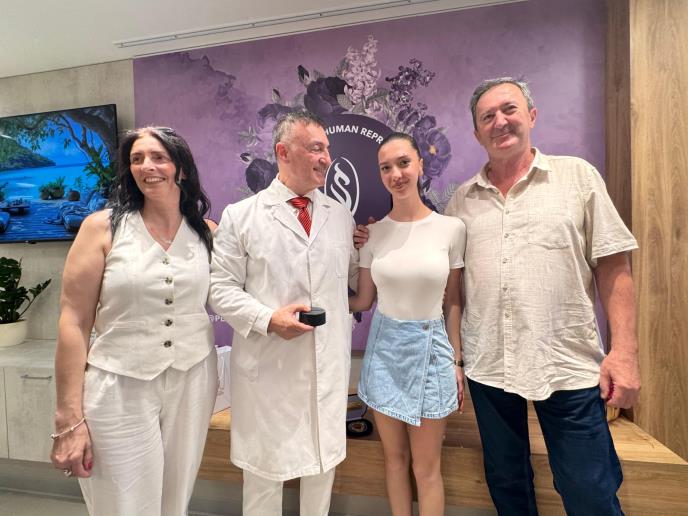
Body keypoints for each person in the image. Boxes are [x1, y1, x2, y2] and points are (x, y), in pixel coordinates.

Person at [355, 77, 640, 515]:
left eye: (509, 110)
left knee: (588, 490)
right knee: (507, 485)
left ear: (531, 115)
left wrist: (624, 352)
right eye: (487, 116)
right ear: (476, 133)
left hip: (564, 365)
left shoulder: (576, 178)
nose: (499, 122)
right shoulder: (461, 203)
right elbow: (442, 284)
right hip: (490, 368)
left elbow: (614, 265)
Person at [50, 127, 219, 516]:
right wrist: (68, 417)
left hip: (193, 380)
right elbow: (73, 321)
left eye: (159, 157)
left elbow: (242, 291)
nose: (147, 166)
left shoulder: (208, 233)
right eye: (137, 159)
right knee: (122, 504)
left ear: (181, 169)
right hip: (119, 385)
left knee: (175, 501)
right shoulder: (102, 228)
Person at [209, 110, 358, 516]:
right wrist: (268, 319)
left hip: (326, 368)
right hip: (269, 369)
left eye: (327, 149)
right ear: (283, 152)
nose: (326, 158)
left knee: (322, 473)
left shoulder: (339, 215)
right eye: (316, 148)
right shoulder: (241, 216)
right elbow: (220, 289)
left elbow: (349, 280)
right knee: (264, 478)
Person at [349, 132, 465, 516]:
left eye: (403, 163)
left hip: (433, 353)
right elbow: (363, 301)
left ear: (420, 165)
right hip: (384, 353)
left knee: (426, 468)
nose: (396, 174)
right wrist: (314, 300)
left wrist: (456, 362)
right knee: (394, 461)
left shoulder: (451, 229)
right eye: (386, 168)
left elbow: (452, 301)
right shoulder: (372, 234)